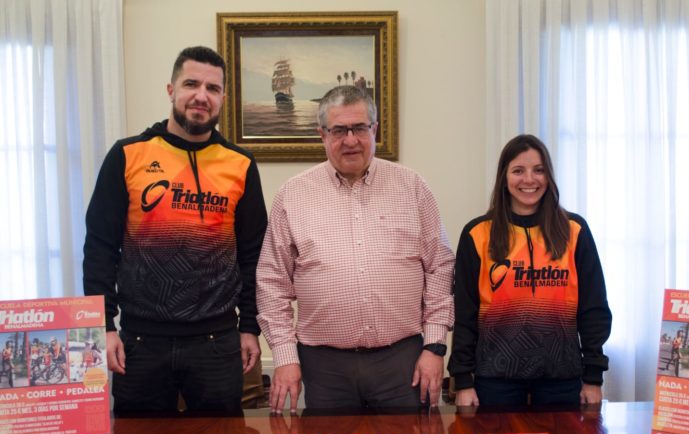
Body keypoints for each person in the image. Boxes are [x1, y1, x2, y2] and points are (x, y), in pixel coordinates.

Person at [83, 46, 267, 413]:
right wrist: (102, 326)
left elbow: (254, 257)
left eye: (213, 89)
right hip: (139, 341)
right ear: (171, 90)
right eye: (191, 84)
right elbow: (100, 248)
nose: (201, 96)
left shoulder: (241, 165)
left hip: (218, 343)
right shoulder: (127, 155)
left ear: (223, 99)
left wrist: (250, 326)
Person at [256, 85, 454, 412]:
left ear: (374, 129)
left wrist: (434, 347)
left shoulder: (412, 188)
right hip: (324, 366)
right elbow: (271, 282)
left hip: (402, 362)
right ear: (322, 134)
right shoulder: (292, 195)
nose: (350, 140)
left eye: (359, 128)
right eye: (339, 130)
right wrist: (285, 357)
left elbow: (440, 267)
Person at [448, 134, 612, 406]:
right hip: (495, 380)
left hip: (562, 378)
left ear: (549, 176)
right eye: (518, 171)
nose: (529, 180)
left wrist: (594, 377)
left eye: (539, 170)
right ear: (504, 177)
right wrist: (463, 379)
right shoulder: (477, 233)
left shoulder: (575, 231)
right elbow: (465, 314)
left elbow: (594, 308)